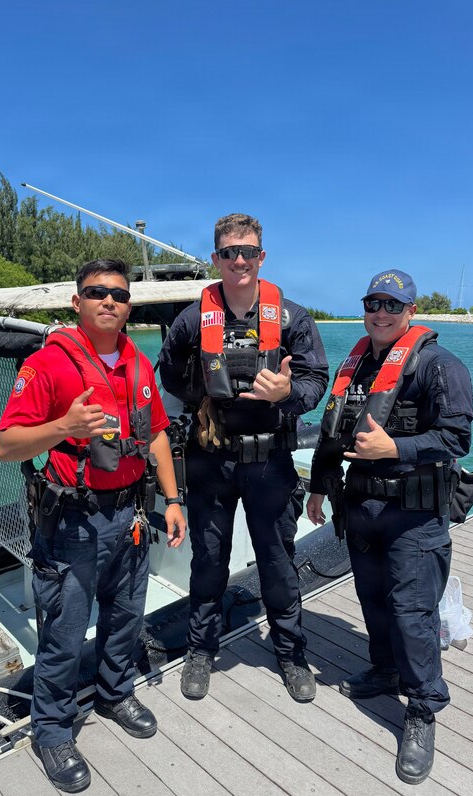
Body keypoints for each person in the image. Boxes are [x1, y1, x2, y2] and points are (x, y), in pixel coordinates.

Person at [0, 259, 186, 793]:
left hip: (128, 515)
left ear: (130, 306)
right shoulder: (48, 365)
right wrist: (63, 427)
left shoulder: (137, 364)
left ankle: (113, 692)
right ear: (76, 303)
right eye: (96, 292)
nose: (109, 301)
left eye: (119, 295)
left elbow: (155, 437)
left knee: (125, 617)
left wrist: (172, 500)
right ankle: (52, 731)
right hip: (71, 525)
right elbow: (6, 446)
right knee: (62, 632)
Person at [306, 269, 473, 785]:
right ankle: (385, 669)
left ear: (410, 312)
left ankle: (423, 709)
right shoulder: (357, 365)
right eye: (373, 304)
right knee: (373, 601)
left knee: (412, 613)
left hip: (415, 518)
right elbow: (334, 432)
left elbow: (455, 439)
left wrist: (395, 449)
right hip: (361, 509)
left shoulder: (440, 367)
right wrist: (318, 484)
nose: (381, 313)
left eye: (392, 305)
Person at [159, 214, 329, 703]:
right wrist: (204, 393)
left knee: (278, 561)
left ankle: (291, 653)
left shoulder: (294, 318)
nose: (239, 260)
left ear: (262, 257)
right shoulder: (192, 320)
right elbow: (169, 376)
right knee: (208, 561)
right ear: (215, 258)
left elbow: (316, 382)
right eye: (229, 252)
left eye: (248, 251)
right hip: (210, 461)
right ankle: (200, 650)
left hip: (270, 463)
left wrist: (286, 392)